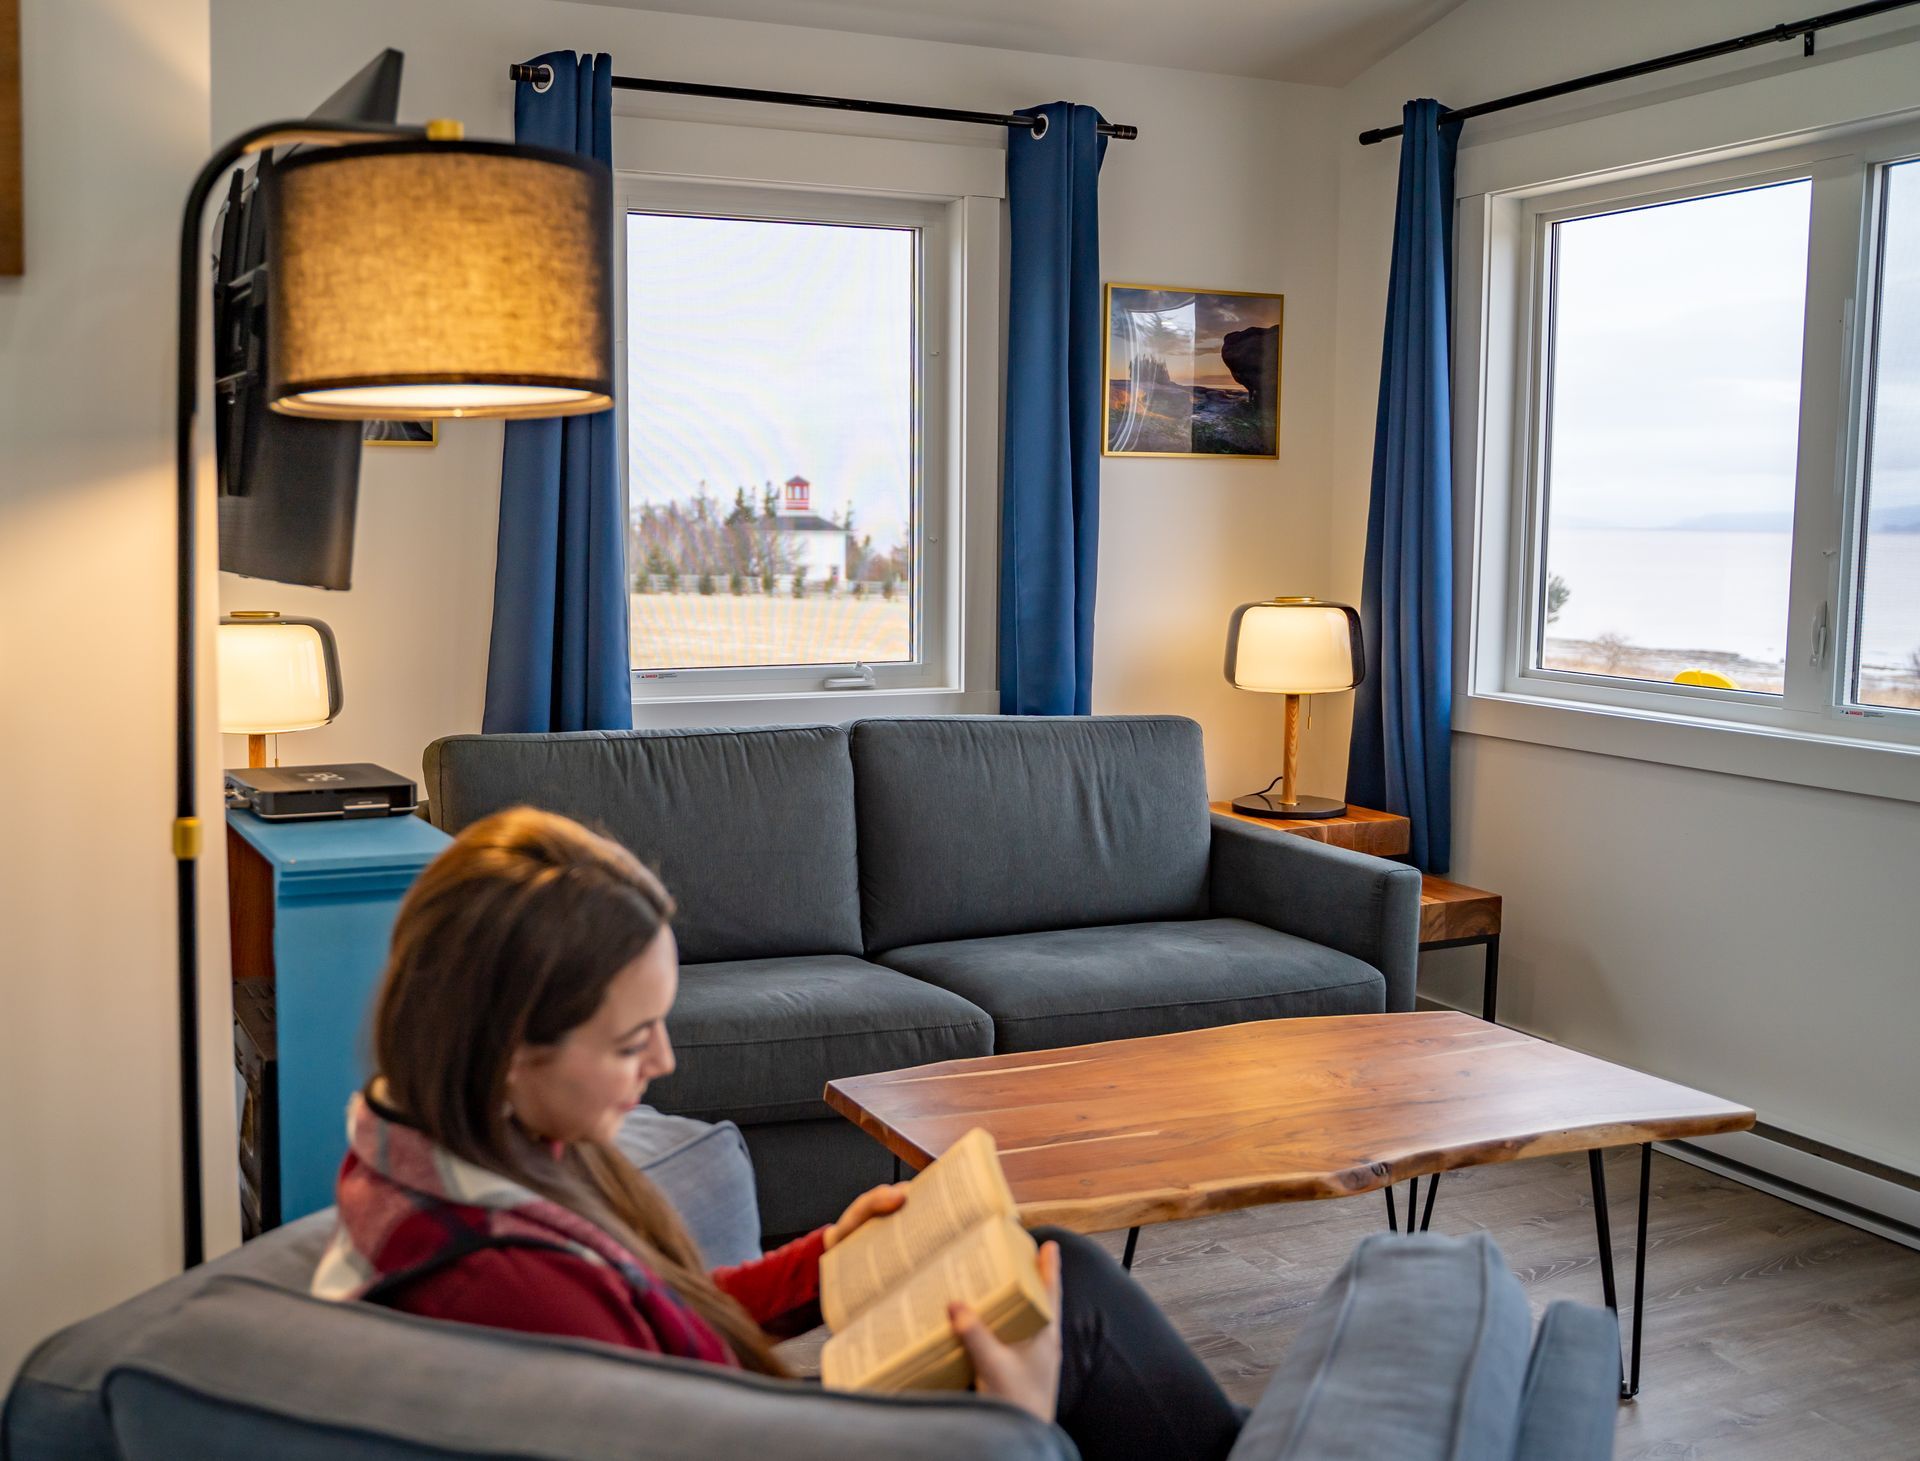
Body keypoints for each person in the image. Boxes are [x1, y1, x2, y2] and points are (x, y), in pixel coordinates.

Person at [314, 807, 1244, 1461]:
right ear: (512, 1047)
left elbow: (660, 1311)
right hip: (755, 1434)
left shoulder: (447, 1138)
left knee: (1040, 1261)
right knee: (1065, 1311)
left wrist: (830, 1259)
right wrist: (1012, 1427)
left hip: (729, 1414)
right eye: (633, 1038)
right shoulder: (505, 1284)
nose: (665, 1062)